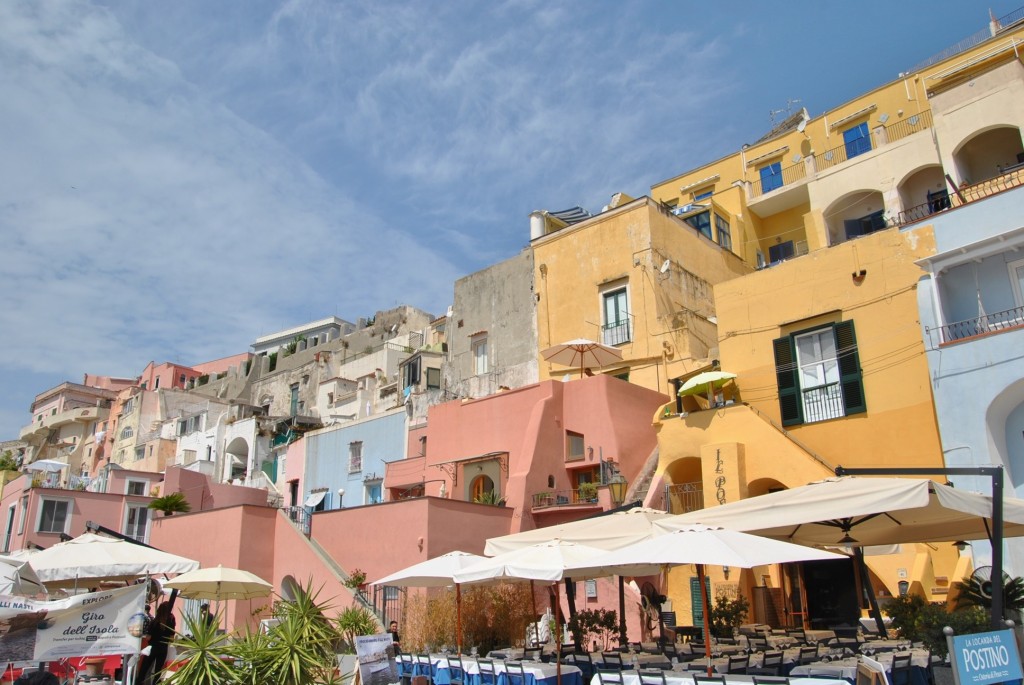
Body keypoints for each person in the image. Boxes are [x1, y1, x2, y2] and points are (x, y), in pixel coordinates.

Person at [138, 602, 176, 685]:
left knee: (145, 667)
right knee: (158, 670)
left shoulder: (154, 621)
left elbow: (148, 637)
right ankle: (156, 683)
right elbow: (172, 638)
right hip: (163, 647)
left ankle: (139, 682)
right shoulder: (171, 620)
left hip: (153, 646)